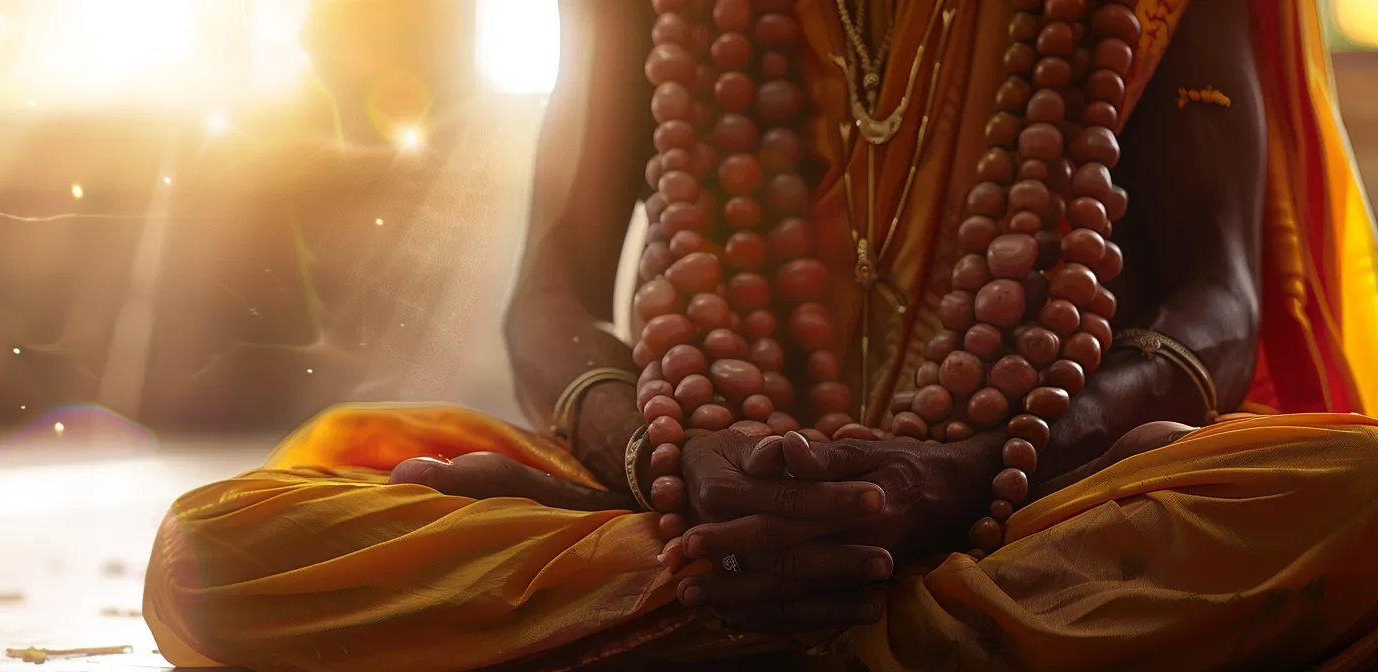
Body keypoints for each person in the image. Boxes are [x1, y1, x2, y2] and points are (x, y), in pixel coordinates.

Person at [142, 1, 1378, 670]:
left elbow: (1214, 308)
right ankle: (825, 605)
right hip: (701, 489)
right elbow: (549, 295)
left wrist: (964, 478)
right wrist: (669, 469)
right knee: (225, 552)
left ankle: (690, 621)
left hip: (1018, 492)